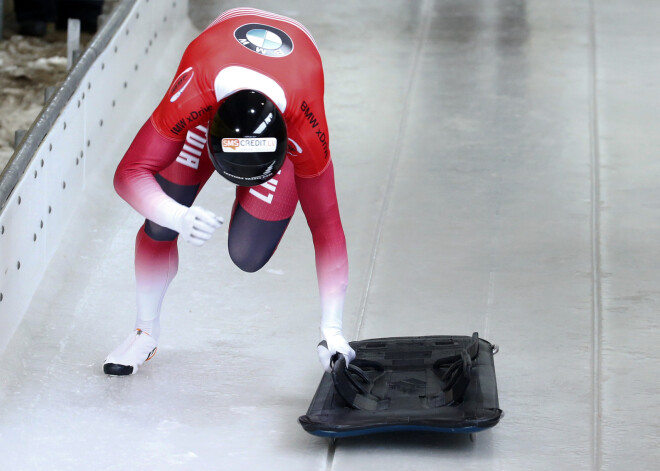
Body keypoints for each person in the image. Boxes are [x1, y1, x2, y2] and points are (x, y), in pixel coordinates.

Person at [104, 8, 355, 375]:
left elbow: (327, 225)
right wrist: (177, 214)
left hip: (286, 91)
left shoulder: (306, 124)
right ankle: (145, 330)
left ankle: (253, 178)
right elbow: (127, 173)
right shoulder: (194, 91)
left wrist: (332, 330)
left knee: (247, 253)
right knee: (161, 220)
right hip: (212, 80)